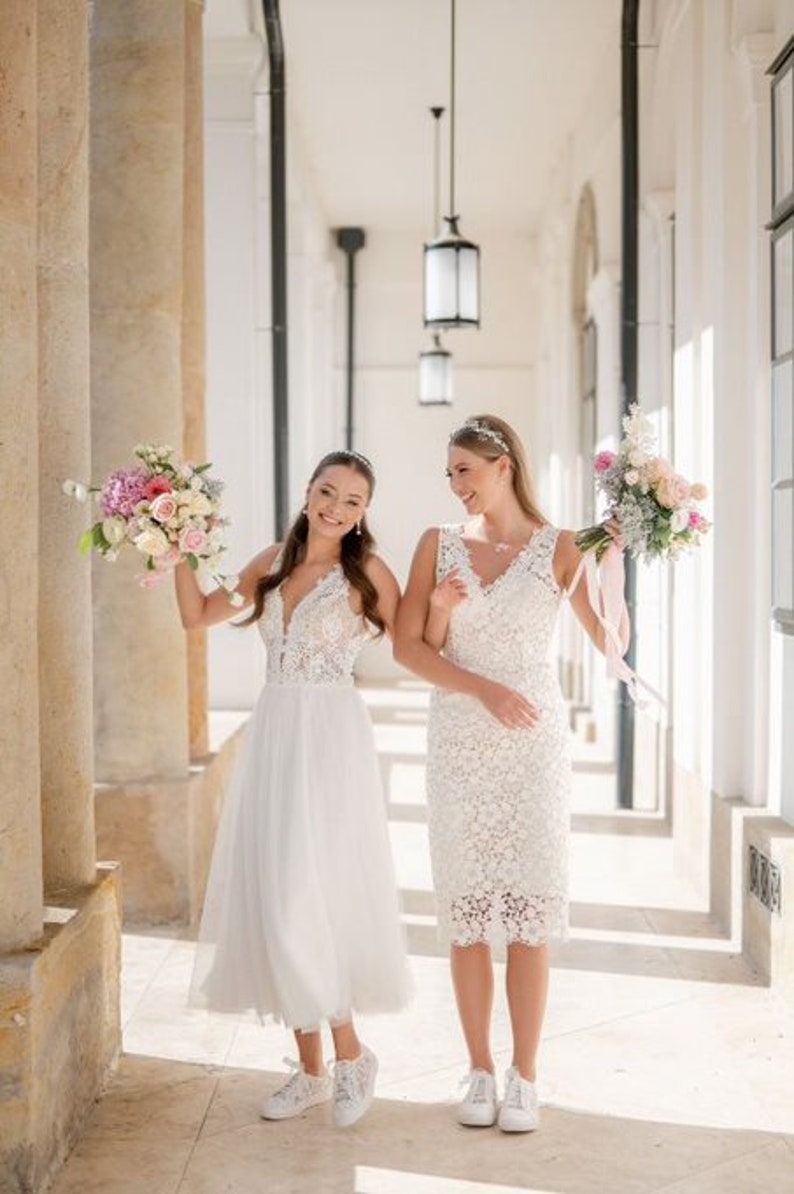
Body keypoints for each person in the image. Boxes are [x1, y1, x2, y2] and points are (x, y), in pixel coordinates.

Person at [394, 415, 628, 1134]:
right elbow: (408, 648)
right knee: (466, 916)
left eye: (465, 469)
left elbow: (610, 641)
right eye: (450, 474)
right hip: (460, 742)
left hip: (532, 748)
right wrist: (479, 686)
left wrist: (615, 564)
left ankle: (526, 1075)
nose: (456, 485)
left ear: (503, 466)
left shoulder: (561, 548)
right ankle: (479, 1070)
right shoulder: (437, 546)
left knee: (528, 917)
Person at [177, 450, 410, 1129]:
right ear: (308, 492)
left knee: (313, 895)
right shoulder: (273, 562)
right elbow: (196, 617)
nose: (337, 507)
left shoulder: (366, 571)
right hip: (276, 734)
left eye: (353, 500)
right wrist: (175, 546)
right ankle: (311, 1072)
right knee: (277, 895)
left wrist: (453, 608)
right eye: (328, 491)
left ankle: (352, 1055)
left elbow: (414, 643)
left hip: (332, 739)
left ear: (366, 512)